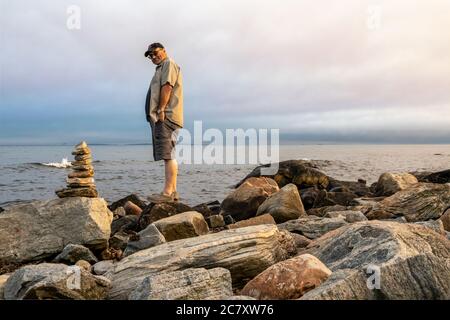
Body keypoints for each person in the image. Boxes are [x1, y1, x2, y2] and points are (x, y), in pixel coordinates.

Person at [144, 43, 183, 202]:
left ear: (164, 51)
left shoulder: (168, 64)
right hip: (165, 116)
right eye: (150, 55)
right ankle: (172, 192)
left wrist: (161, 110)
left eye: (155, 53)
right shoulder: (161, 67)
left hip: (166, 116)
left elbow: (167, 86)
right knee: (169, 154)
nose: (153, 57)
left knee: (167, 155)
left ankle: (167, 193)